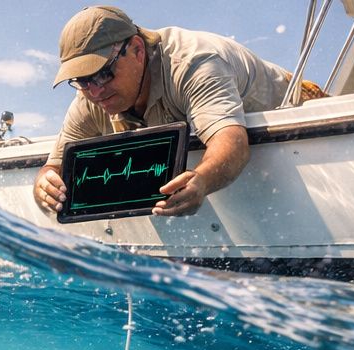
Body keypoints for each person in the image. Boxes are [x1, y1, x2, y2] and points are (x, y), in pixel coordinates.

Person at [33, 5, 324, 217]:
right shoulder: (89, 98)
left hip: (307, 108)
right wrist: (43, 183)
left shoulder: (193, 63)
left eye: (104, 73)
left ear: (136, 49)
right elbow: (53, 166)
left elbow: (232, 143)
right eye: (82, 80)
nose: (95, 91)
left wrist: (202, 180)